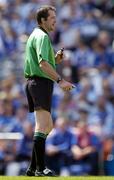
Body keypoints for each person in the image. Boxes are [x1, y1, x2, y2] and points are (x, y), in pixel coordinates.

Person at [24, 5, 74, 177]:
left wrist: (56, 59)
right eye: (52, 17)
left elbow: (46, 62)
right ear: (42, 20)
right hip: (40, 84)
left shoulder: (36, 35)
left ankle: (32, 168)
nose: (55, 20)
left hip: (36, 83)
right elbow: (42, 64)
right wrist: (61, 80)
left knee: (47, 126)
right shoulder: (42, 36)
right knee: (43, 125)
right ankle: (40, 168)